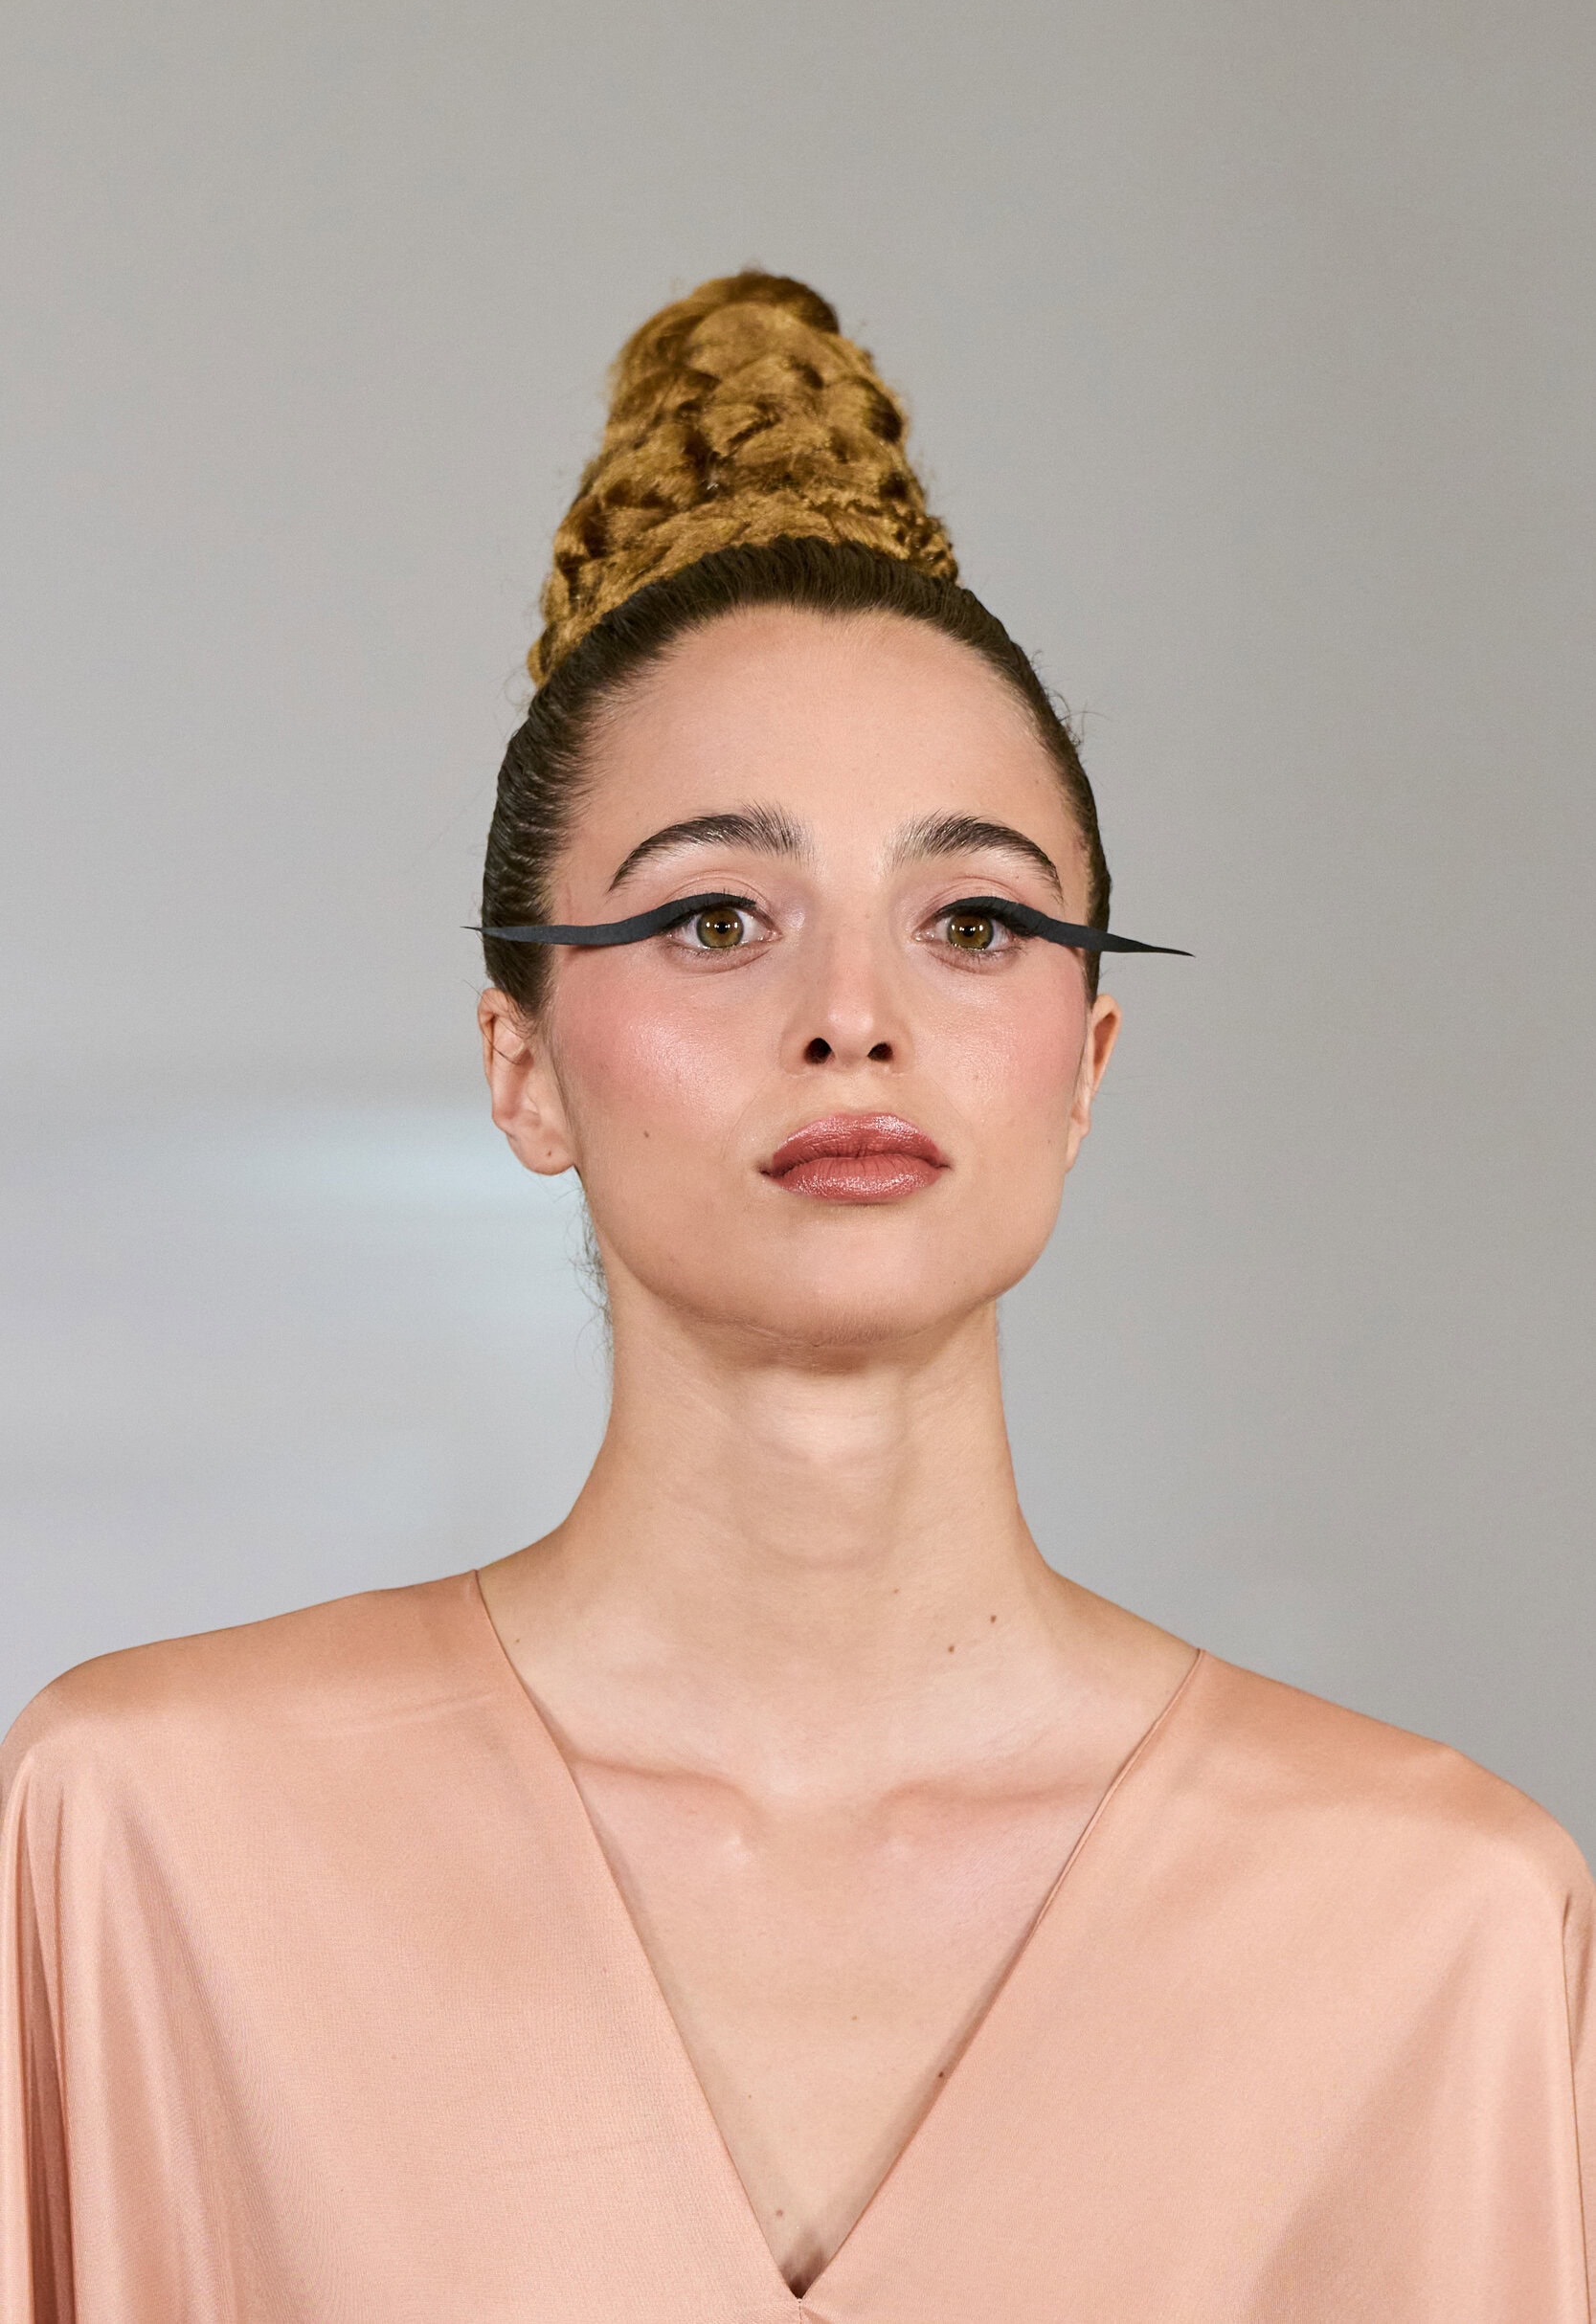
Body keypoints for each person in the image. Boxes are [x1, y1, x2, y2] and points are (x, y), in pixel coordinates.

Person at [2, 272, 1590, 2323]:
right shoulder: (151, 1844)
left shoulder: (1435, 1927)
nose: (854, 1015)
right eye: (715, 918)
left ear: (1088, 1064)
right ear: (520, 1063)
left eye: (975, 921)